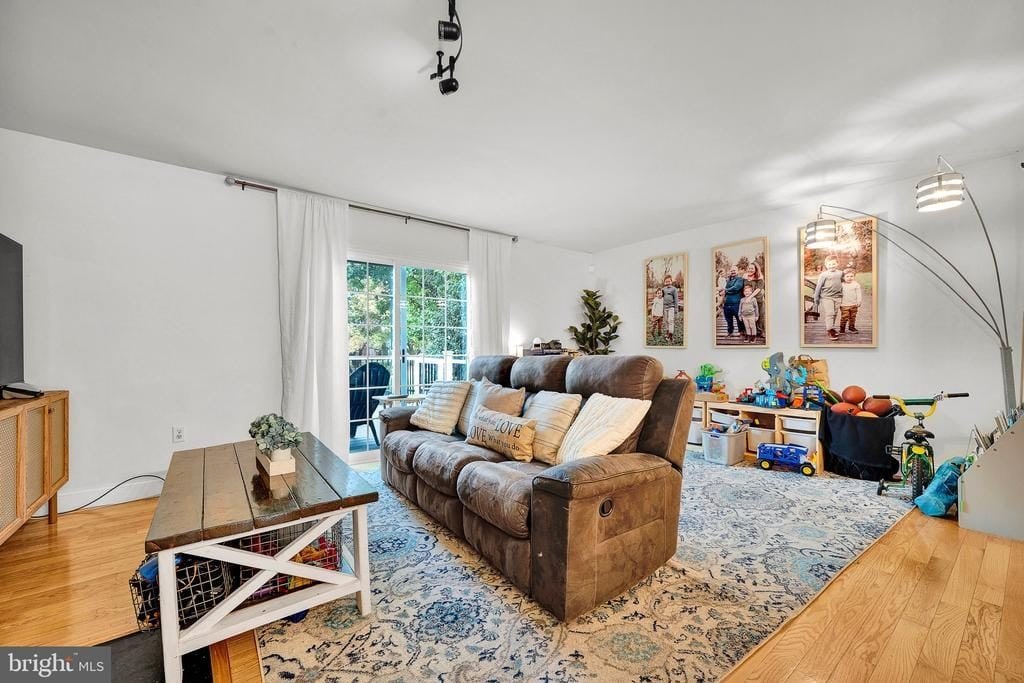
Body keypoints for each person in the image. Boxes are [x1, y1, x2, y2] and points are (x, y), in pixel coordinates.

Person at [813, 255, 844, 341]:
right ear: (826, 265)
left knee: (835, 313)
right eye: (829, 264)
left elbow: (843, 283)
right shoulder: (824, 275)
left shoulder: (841, 273)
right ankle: (830, 330)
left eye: (833, 264)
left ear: (837, 264)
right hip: (826, 297)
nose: (831, 266)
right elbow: (818, 286)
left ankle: (831, 327)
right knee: (830, 313)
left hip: (838, 296)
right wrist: (816, 297)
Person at [744, 262, 765, 339]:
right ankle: (751, 332)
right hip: (748, 301)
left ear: (756, 269)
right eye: (749, 268)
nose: (750, 270)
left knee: (760, 315)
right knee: (750, 315)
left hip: (758, 299)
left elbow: (758, 289)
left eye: (752, 268)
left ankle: (761, 331)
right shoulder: (745, 277)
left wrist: (750, 297)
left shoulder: (760, 277)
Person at [722, 266, 745, 339]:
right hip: (727, 303)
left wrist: (726, 290)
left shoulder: (740, 279)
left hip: (736, 303)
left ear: (737, 271)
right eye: (731, 271)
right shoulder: (728, 280)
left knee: (739, 319)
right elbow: (725, 290)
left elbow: (736, 288)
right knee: (728, 319)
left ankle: (741, 332)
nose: (733, 272)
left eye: (734, 270)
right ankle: (730, 332)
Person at [839, 269, 862, 334]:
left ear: (854, 276)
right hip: (844, 304)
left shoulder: (856, 284)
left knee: (853, 317)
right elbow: (838, 294)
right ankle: (842, 328)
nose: (850, 278)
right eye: (847, 276)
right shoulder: (841, 285)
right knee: (844, 317)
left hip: (854, 304)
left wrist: (859, 301)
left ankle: (851, 327)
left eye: (851, 276)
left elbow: (858, 294)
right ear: (843, 277)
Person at [661, 276, 679, 343]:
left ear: (671, 281)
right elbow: (661, 298)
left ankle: (671, 335)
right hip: (664, 307)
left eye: (669, 281)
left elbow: (676, 300)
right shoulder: (663, 289)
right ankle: (667, 333)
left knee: (670, 320)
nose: (668, 282)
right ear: (664, 282)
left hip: (671, 307)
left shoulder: (674, 289)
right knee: (666, 321)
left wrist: (676, 310)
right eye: (666, 281)